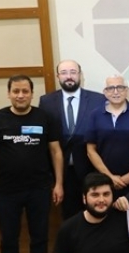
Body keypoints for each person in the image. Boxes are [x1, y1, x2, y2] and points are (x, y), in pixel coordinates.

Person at [0, 75, 64, 253]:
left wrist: (59, 183)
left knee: (39, 235)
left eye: (25, 91)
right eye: (16, 91)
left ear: (32, 93)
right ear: (9, 93)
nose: (20, 96)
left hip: (40, 187)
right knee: (9, 237)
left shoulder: (45, 117)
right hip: (7, 189)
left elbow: (56, 151)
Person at [39, 59, 106, 220]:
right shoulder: (46, 101)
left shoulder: (98, 99)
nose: (69, 76)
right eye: (64, 73)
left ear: (80, 75)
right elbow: (45, 138)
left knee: (96, 214)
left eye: (73, 72)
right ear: (58, 76)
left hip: (91, 169)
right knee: (69, 217)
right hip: (61, 172)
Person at [86, 75, 129, 198]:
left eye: (120, 87)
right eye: (111, 88)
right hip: (105, 182)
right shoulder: (95, 115)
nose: (116, 92)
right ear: (105, 92)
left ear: (126, 90)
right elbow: (91, 150)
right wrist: (109, 176)